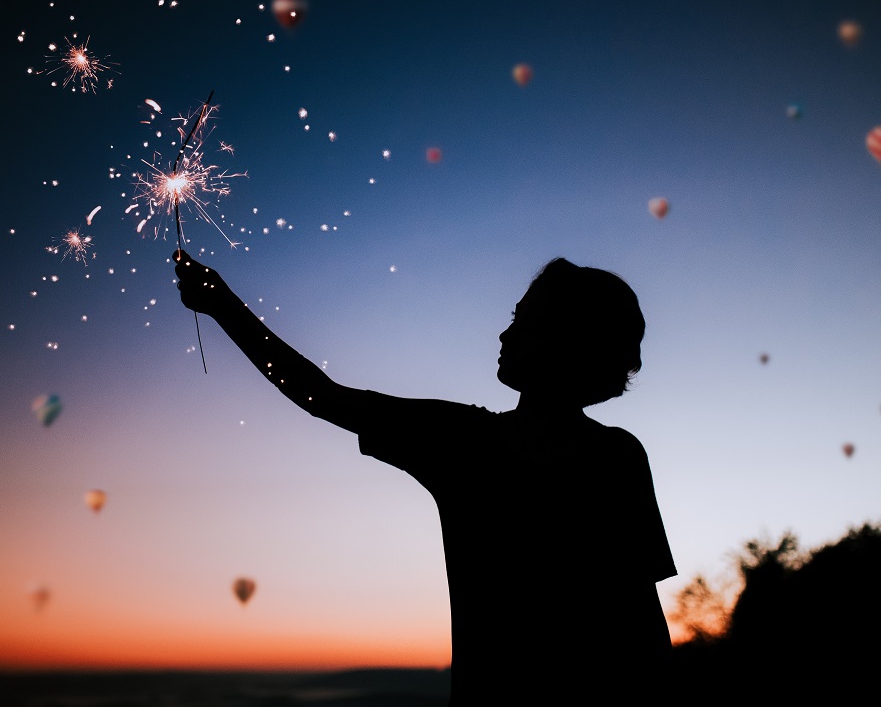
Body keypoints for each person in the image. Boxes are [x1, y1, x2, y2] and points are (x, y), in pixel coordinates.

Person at [173, 250, 676, 702]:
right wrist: (222, 306)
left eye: (525, 323)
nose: (505, 334)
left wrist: (222, 305)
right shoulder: (613, 457)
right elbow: (645, 628)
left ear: (569, 343)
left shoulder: (467, 442)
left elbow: (319, 396)